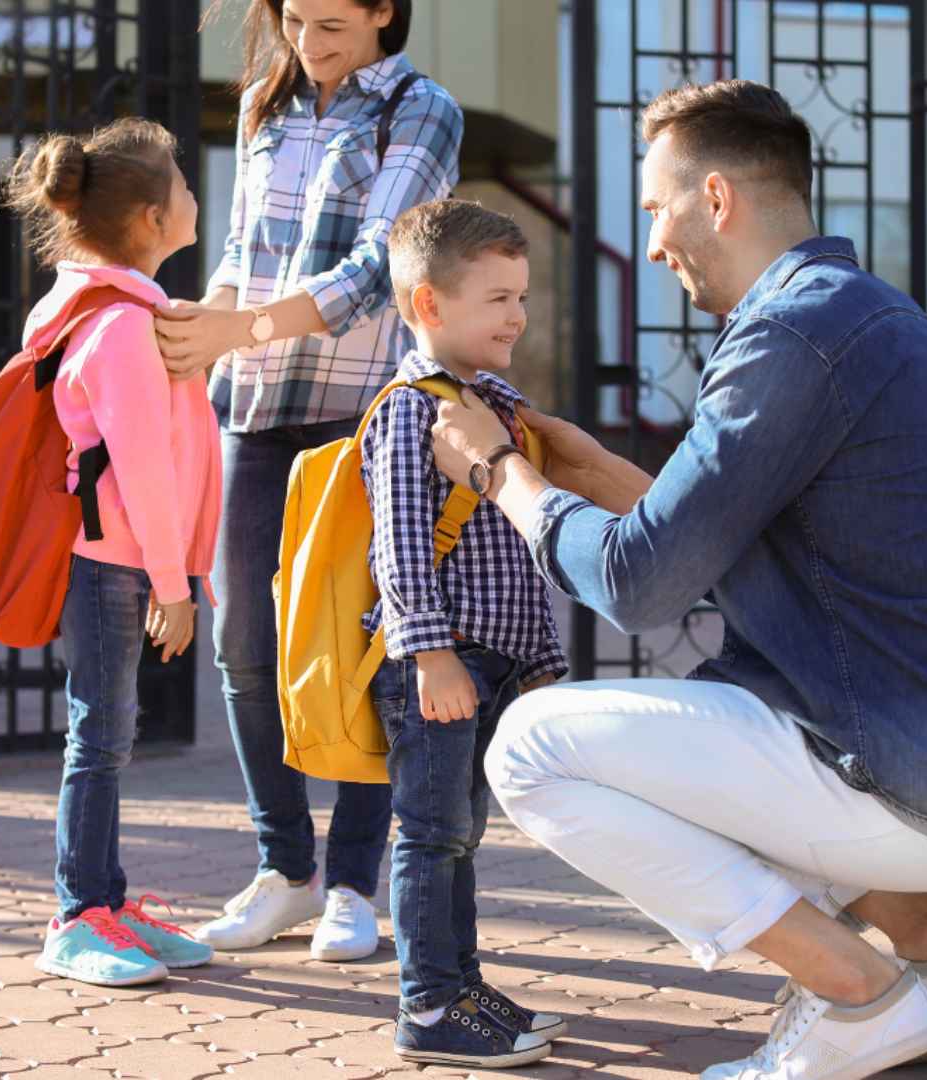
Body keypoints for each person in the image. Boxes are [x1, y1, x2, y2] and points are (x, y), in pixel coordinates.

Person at [428, 80, 927, 1080]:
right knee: (701, 731)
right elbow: (735, 544)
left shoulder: (789, 337)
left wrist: (494, 472)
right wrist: (592, 470)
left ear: (716, 199)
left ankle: (854, 992)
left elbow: (640, 585)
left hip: (916, 774)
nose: (652, 245)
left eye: (656, 211)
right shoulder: (874, 318)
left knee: (531, 750)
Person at [153, 0, 463, 962]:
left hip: (357, 407)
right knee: (244, 638)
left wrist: (237, 331)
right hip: (251, 405)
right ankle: (285, 871)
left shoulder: (421, 107)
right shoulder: (261, 106)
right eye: (294, 17)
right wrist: (197, 329)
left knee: (360, 647)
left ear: (383, 11)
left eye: (332, 21)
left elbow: (378, 268)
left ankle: (356, 885)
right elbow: (245, 255)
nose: (308, 39)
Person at [2, 119, 222, 987]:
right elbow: (141, 468)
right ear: (150, 217)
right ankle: (76, 916)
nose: (196, 197)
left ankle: (105, 900)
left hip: (112, 552)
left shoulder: (86, 303)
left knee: (108, 731)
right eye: (185, 185)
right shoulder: (122, 326)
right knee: (99, 735)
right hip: (114, 557)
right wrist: (173, 585)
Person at [365, 200, 569, 1067]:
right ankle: (428, 1006)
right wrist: (431, 650)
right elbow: (400, 542)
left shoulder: (494, 406)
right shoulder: (412, 411)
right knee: (430, 834)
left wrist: (538, 661)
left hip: (485, 666)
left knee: (461, 834)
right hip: (437, 665)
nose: (517, 315)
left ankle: (463, 985)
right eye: (496, 298)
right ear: (428, 306)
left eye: (520, 296)